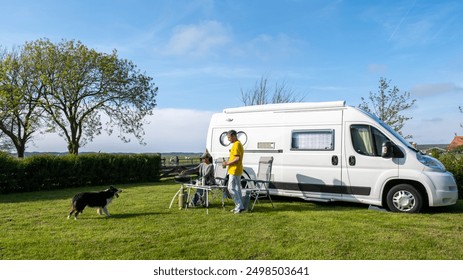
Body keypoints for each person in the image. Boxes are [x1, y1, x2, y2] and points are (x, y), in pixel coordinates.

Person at [222, 130, 245, 214]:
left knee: (230, 188)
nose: (228, 139)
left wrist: (227, 163)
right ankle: (240, 206)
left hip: (234, 170)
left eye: (229, 137)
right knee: (237, 189)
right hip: (237, 169)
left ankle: (239, 206)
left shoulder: (236, 144)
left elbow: (237, 159)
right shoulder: (238, 144)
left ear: (233, 136)